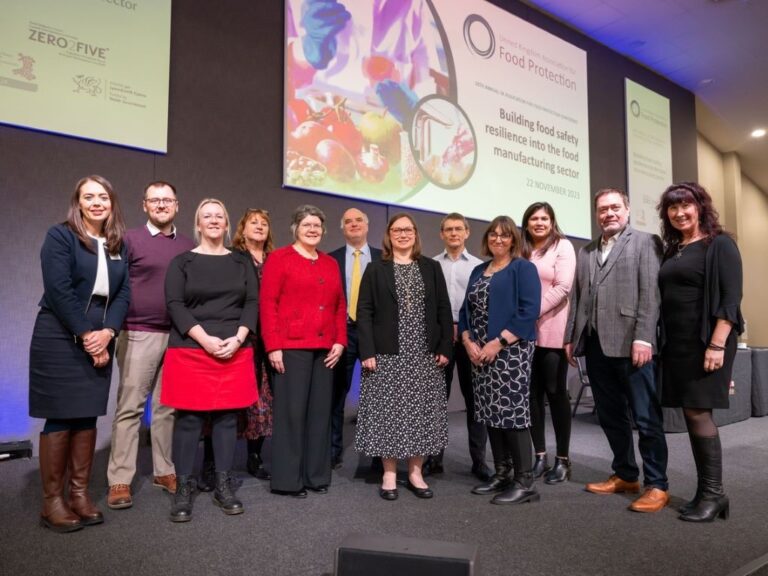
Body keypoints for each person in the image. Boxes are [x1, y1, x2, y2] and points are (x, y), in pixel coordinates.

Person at [29, 175, 130, 532]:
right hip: (59, 333)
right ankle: (52, 502)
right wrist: (87, 335)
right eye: (89, 197)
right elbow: (57, 290)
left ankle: (79, 495)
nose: (97, 202)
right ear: (78, 202)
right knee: (60, 415)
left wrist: (108, 333)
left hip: (101, 335)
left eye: (103, 196)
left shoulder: (118, 243)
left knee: (87, 415)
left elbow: (123, 296)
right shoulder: (61, 236)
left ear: (112, 202)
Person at [564, 188, 669, 513]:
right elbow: (578, 298)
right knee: (611, 416)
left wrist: (644, 337)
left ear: (626, 209)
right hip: (596, 345)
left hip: (632, 344)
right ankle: (625, 474)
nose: (608, 214)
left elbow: (651, 293)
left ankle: (657, 484)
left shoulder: (646, 242)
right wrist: (571, 336)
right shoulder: (586, 251)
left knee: (645, 417)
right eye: (602, 209)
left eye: (614, 208)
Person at [161, 198, 259, 522]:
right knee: (188, 420)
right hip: (191, 348)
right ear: (198, 224)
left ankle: (223, 484)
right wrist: (204, 339)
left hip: (234, 347)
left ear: (227, 224)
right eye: (207, 216)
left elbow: (251, 303)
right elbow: (175, 304)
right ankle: (184, 488)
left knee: (227, 419)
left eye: (219, 215)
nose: (214, 220)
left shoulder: (242, 262)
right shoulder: (182, 262)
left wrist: (239, 338)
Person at [657, 182, 743, 522]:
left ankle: (714, 494)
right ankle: (706, 491)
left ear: (700, 207)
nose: (679, 213)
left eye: (686, 205)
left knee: (699, 413)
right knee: (692, 414)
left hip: (707, 340)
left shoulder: (719, 244)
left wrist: (717, 344)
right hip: (678, 343)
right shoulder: (673, 248)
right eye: (672, 208)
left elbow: (731, 298)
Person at [106, 181, 194, 510]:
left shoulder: (188, 246)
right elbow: (114, 286)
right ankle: (120, 478)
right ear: (144, 205)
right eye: (154, 200)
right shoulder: (128, 240)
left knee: (167, 407)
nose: (161, 205)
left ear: (177, 205)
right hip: (137, 332)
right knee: (130, 407)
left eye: (167, 200)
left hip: (176, 336)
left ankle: (164, 470)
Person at [355, 213, 453, 501]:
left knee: (421, 413)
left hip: (424, 353)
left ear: (415, 234)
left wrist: (445, 346)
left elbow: (443, 310)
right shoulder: (376, 269)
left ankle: (415, 472)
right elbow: (364, 312)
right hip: (387, 353)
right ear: (388, 235)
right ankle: (388, 473)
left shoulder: (431, 267)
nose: (402, 234)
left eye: (408, 229)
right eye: (397, 230)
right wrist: (367, 351)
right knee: (389, 412)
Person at [260, 205, 347, 498]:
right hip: (291, 347)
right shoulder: (279, 258)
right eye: (307, 224)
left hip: (325, 349)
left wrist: (340, 340)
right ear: (296, 228)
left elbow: (339, 306)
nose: (313, 230)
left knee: (320, 414)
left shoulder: (330, 263)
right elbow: (268, 305)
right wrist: (273, 346)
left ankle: (315, 475)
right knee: (291, 414)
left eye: (317, 225)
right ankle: (288, 480)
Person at [459, 216, 541, 505]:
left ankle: (525, 481)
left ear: (513, 239)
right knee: (489, 411)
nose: (498, 239)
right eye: (493, 234)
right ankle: (503, 472)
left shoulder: (523, 268)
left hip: (511, 351)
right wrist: (468, 342)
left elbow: (529, 311)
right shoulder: (479, 270)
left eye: (504, 235)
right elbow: (464, 312)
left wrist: (498, 342)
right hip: (480, 353)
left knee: (512, 413)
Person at [429, 212, 490, 481]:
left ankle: (479, 461)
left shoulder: (480, 267)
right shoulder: (430, 265)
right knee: (435, 400)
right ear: (442, 234)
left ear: (467, 233)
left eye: (458, 229)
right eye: (448, 229)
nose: (454, 233)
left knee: (475, 401)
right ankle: (433, 458)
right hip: (439, 339)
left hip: (471, 339)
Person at [521, 202, 576, 484]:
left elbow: (563, 287)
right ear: (527, 223)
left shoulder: (562, 247)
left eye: (544, 218)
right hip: (523, 335)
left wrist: (528, 312)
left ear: (552, 221)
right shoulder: (521, 249)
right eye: (534, 218)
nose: (539, 222)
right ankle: (540, 455)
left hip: (552, 331)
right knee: (531, 397)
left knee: (555, 395)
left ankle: (563, 460)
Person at [329, 208, 382, 470]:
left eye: (358, 220)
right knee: (336, 395)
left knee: (378, 396)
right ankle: (332, 451)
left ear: (367, 225)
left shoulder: (384, 259)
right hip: (343, 332)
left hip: (375, 333)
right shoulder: (331, 259)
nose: (353, 224)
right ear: (342, 228)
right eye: (347, 221)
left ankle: (379, 453)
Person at [231, 208, 275, 481]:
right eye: (253, 222)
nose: (259, 227)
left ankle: (254, 455)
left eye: (264, 223)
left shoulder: (275, 259)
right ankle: (216, 460)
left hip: (267, 339)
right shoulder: (233, 257)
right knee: (232, 399)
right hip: (239, 337)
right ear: (242, 229)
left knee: (262, 399)